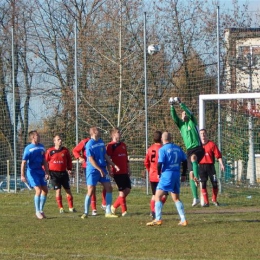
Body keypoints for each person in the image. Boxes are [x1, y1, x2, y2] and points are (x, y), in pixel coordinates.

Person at [169, 96, 205, 207]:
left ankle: (197, 177)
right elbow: (174, 117)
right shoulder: (181, 126)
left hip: (198, 149)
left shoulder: (192, 122)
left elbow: (190, 113)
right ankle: (196, 198)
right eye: (183, 114)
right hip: (189, 150)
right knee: (190, 174)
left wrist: (180, 103)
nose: (184, 115)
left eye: (185, 113)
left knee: (194, 158)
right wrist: (171, 106)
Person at [146, 131, 188, 226]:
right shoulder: (177, 148)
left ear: (162, 139)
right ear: (171, 138)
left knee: (157, 196)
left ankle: (158, 219)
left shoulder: (163, 149)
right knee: (176, 198)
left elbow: (160, 163)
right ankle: (183, 219)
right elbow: (185, 161)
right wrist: (184, 174)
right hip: (176, 174)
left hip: (167, 175)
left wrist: (158, 174)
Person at [81, 126, 119, 219]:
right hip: (93, 170)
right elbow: (90, 159)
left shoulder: (101, 142)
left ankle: (108, 211)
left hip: (102, 168)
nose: (100, 131)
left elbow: (105, 155)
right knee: (90, 190)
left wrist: (113, 165)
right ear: (94, 132)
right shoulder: (89, 144)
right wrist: (99, 169)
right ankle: (85, 212)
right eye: (98, 130)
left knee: (109, 188)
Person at [73, 137, 106, 216]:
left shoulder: (100, 141)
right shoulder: (85, 142)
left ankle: (104, 204)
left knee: (107, 185)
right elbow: (75, 150)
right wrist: (79, 157)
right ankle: (94, 209)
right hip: (88, 167)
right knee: (92, 188)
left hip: (100, 166)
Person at [21, 130, 49, 219]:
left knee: (45, 190)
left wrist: (47, 172)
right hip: (32, 172)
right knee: (38, 190)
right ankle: (37, 211)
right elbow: (24, 162)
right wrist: (22, 175)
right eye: (38, 136)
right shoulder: (28, 148)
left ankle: (41, 210)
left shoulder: (42, 147)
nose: (39, 137)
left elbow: (44, 160)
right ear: (33, 137)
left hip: (40, 171)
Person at [45, 135, 76, 213]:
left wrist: (69, 169)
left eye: (60, 139)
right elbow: (45, 162)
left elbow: (69, 160)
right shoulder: (50, 151)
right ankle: (61, 208)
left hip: (63, 173)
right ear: (54, 141)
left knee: (68, 190)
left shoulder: (65, 151)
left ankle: (71, 207)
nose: (60, 140)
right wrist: (46, 172)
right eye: (58, 139)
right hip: (54, 174)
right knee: (58, 190)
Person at [107, 127, 131, 217]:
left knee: (127, 190)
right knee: (121, 191)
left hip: (124, 171)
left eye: (119, 132)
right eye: (118, 132)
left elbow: (126, 158)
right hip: (117, 172)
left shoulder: (123, 145)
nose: (119, 133)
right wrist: (110, 169)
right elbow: (108, 159)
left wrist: (129, 168)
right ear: (113, 135)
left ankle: (114, 207)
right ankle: (124, 211)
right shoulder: (110, 146)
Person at [144, 131, 167, 220]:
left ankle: (153, 211)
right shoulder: (163, 149)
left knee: (154, 195)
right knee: (164, 195)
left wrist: (149, 170)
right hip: (161, 176)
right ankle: (154, 211)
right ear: (161, 138)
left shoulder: (150, 149)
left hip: (152, 175)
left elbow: (146, 162)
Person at [199, 129, 225, 207]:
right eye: (201, 134)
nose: (203, 135)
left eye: (204, 133)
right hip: (202, 166)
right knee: (203, 183)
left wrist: (221, 164)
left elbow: (218, 155)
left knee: (214, 183)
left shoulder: (212, 144)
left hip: (210, 166)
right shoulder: (198, 145)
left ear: (206, 134)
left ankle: (214, 199)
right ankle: (206, 202)